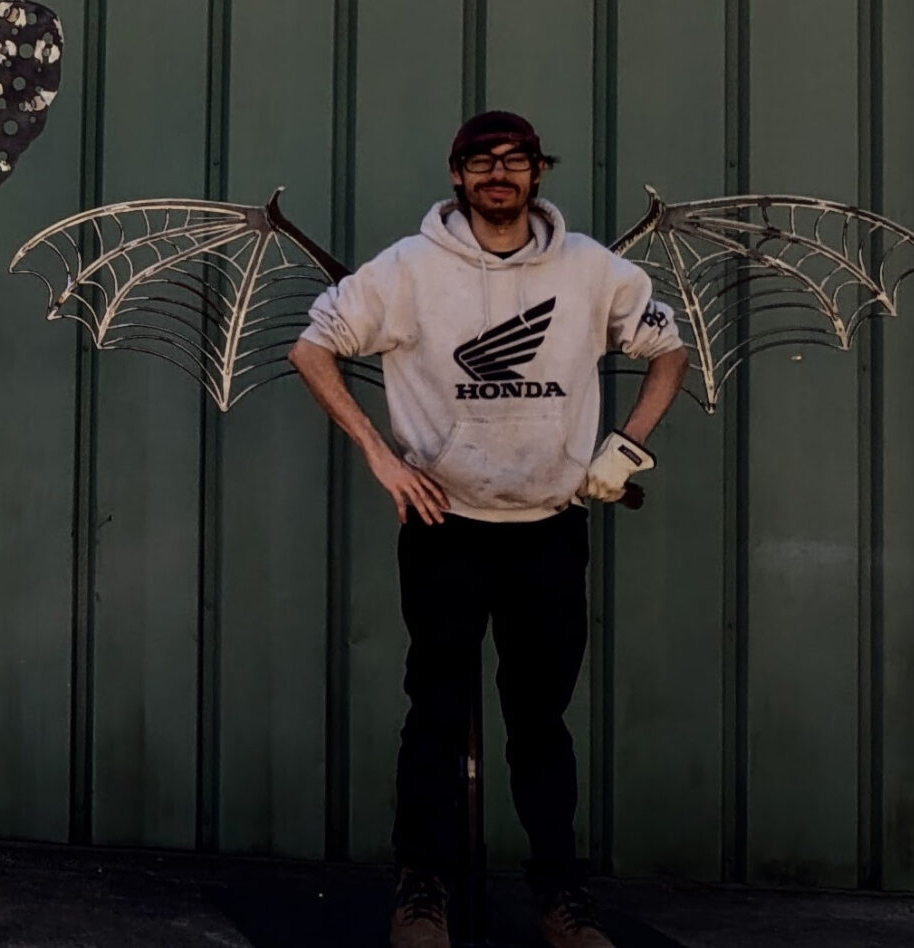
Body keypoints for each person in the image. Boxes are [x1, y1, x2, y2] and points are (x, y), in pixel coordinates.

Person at [288, 110, 688, 948]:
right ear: (456, 174)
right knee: (435, 711)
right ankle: (421, 891)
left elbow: (669, 351)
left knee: (540, 721)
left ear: (539, 171)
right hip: (445, 527)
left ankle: (560, 897)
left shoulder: (593, 269)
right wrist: (381, 457)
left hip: (551, 527)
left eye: (514, 160)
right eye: (481, 161)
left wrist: (627, 447)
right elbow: (312, 349)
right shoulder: (407, 268)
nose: (498, 173)